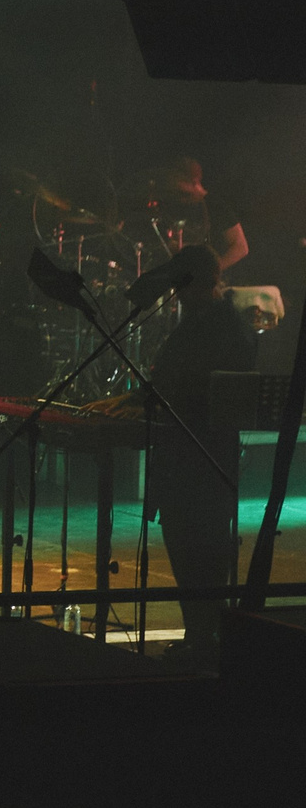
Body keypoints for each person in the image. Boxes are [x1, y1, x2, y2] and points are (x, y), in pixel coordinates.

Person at [141, 245, 259, 663]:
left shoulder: (225, 326)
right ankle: (199, 633)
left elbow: (212, 385)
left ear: (203, 282)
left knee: (201, 548)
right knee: (185, 542)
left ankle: (204, 635)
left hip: (204, 456)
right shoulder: (202, 321)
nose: (177, 294)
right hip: (186, 453)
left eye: (182, 285)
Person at [133, 157, 247, 274]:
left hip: (210, 280)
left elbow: (241, 247)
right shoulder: (175, 205)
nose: (179, 196)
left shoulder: (214, 206)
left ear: (194, 182)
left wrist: (212, 271)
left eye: (182, 192)